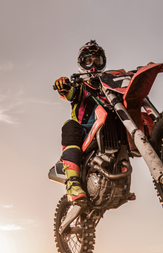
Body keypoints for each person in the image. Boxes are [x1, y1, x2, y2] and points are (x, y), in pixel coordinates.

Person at [53, 40, 109, 202]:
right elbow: (68, 93)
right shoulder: (81, 86)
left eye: (97, 61)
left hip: (107, 131)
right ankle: (72, 183)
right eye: (88, 60)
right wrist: (63, 86)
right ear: (81, 63)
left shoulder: (108, 86)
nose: (93, 65)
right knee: (70, 126)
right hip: (85, 132)